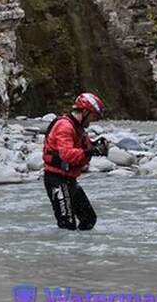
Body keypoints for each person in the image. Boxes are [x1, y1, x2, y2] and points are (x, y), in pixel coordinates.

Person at [41, 92, 110, 231]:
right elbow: (67, 154)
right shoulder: (65, 126)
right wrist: (93, 151)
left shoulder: (79, 128)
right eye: (92, 116)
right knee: (67, 224)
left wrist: (96, 146)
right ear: (84, 112)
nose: (92, 121)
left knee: (89, 219)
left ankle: (81, 251)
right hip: (56, 179)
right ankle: (63, 250)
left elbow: (84, 149)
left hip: (69, 179)